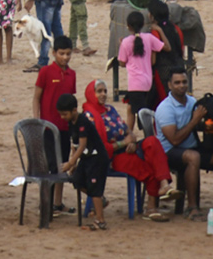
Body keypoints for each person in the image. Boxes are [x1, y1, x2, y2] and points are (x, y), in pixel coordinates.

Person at [81, 78, 175, 221]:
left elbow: (126, 131)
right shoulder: (89, 116)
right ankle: (151, 208)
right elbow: (100, 148)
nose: (103, 94)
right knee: (149, 166)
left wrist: (131, 140)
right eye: (99, 91)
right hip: (111, 157)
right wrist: (124, 143)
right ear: (91, 93)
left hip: (127, 148)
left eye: (105, 91)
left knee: (152, 142)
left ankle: (164, 184)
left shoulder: (110, 110)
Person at [154, 67, 213, 221]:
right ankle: (192, 207)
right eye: (177, 82)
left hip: (192, 148)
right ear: (170, 85)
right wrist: (195, 120)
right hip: (169, 152)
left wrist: (207, 127)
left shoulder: (192, 102)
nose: (181, 85)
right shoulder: (165, 108)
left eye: (184, 82)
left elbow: (196, 126)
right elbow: (174, 140)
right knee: (193, 157)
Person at [32, 35, 75, 213]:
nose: (65, 57)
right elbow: (36, 98)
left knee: (63, 165)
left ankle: (57, 203)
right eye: (61, 54)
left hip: (65, 128)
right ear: (53, 53)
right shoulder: (45, 72)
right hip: (48, 128)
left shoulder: (72, 74)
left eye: (68, 54)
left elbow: (71, 101)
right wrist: (38, 121)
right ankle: (46, 204)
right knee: (50, 166)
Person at [57, 93, 109, 230]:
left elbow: (82, 145)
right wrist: (74, 163)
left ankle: (100, 220)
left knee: (94, 188)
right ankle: (100, 200)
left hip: (97, 158)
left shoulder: (83, 122)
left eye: (64, 114)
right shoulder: (71, 123)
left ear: (74, 110)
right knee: (76, 180)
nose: (62, 117)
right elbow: (74, 144)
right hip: (86, 158)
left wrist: (70, 163)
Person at [116, 10, 165, 112]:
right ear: (143, 24)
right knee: (131, 108)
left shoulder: (126, 42)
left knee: (141, 115)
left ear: (128, 26)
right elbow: (164, 47)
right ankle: (129, 128)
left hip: (135, 83)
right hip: (148, 82)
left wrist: (121, 46)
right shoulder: (149, 38)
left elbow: (122, 63)